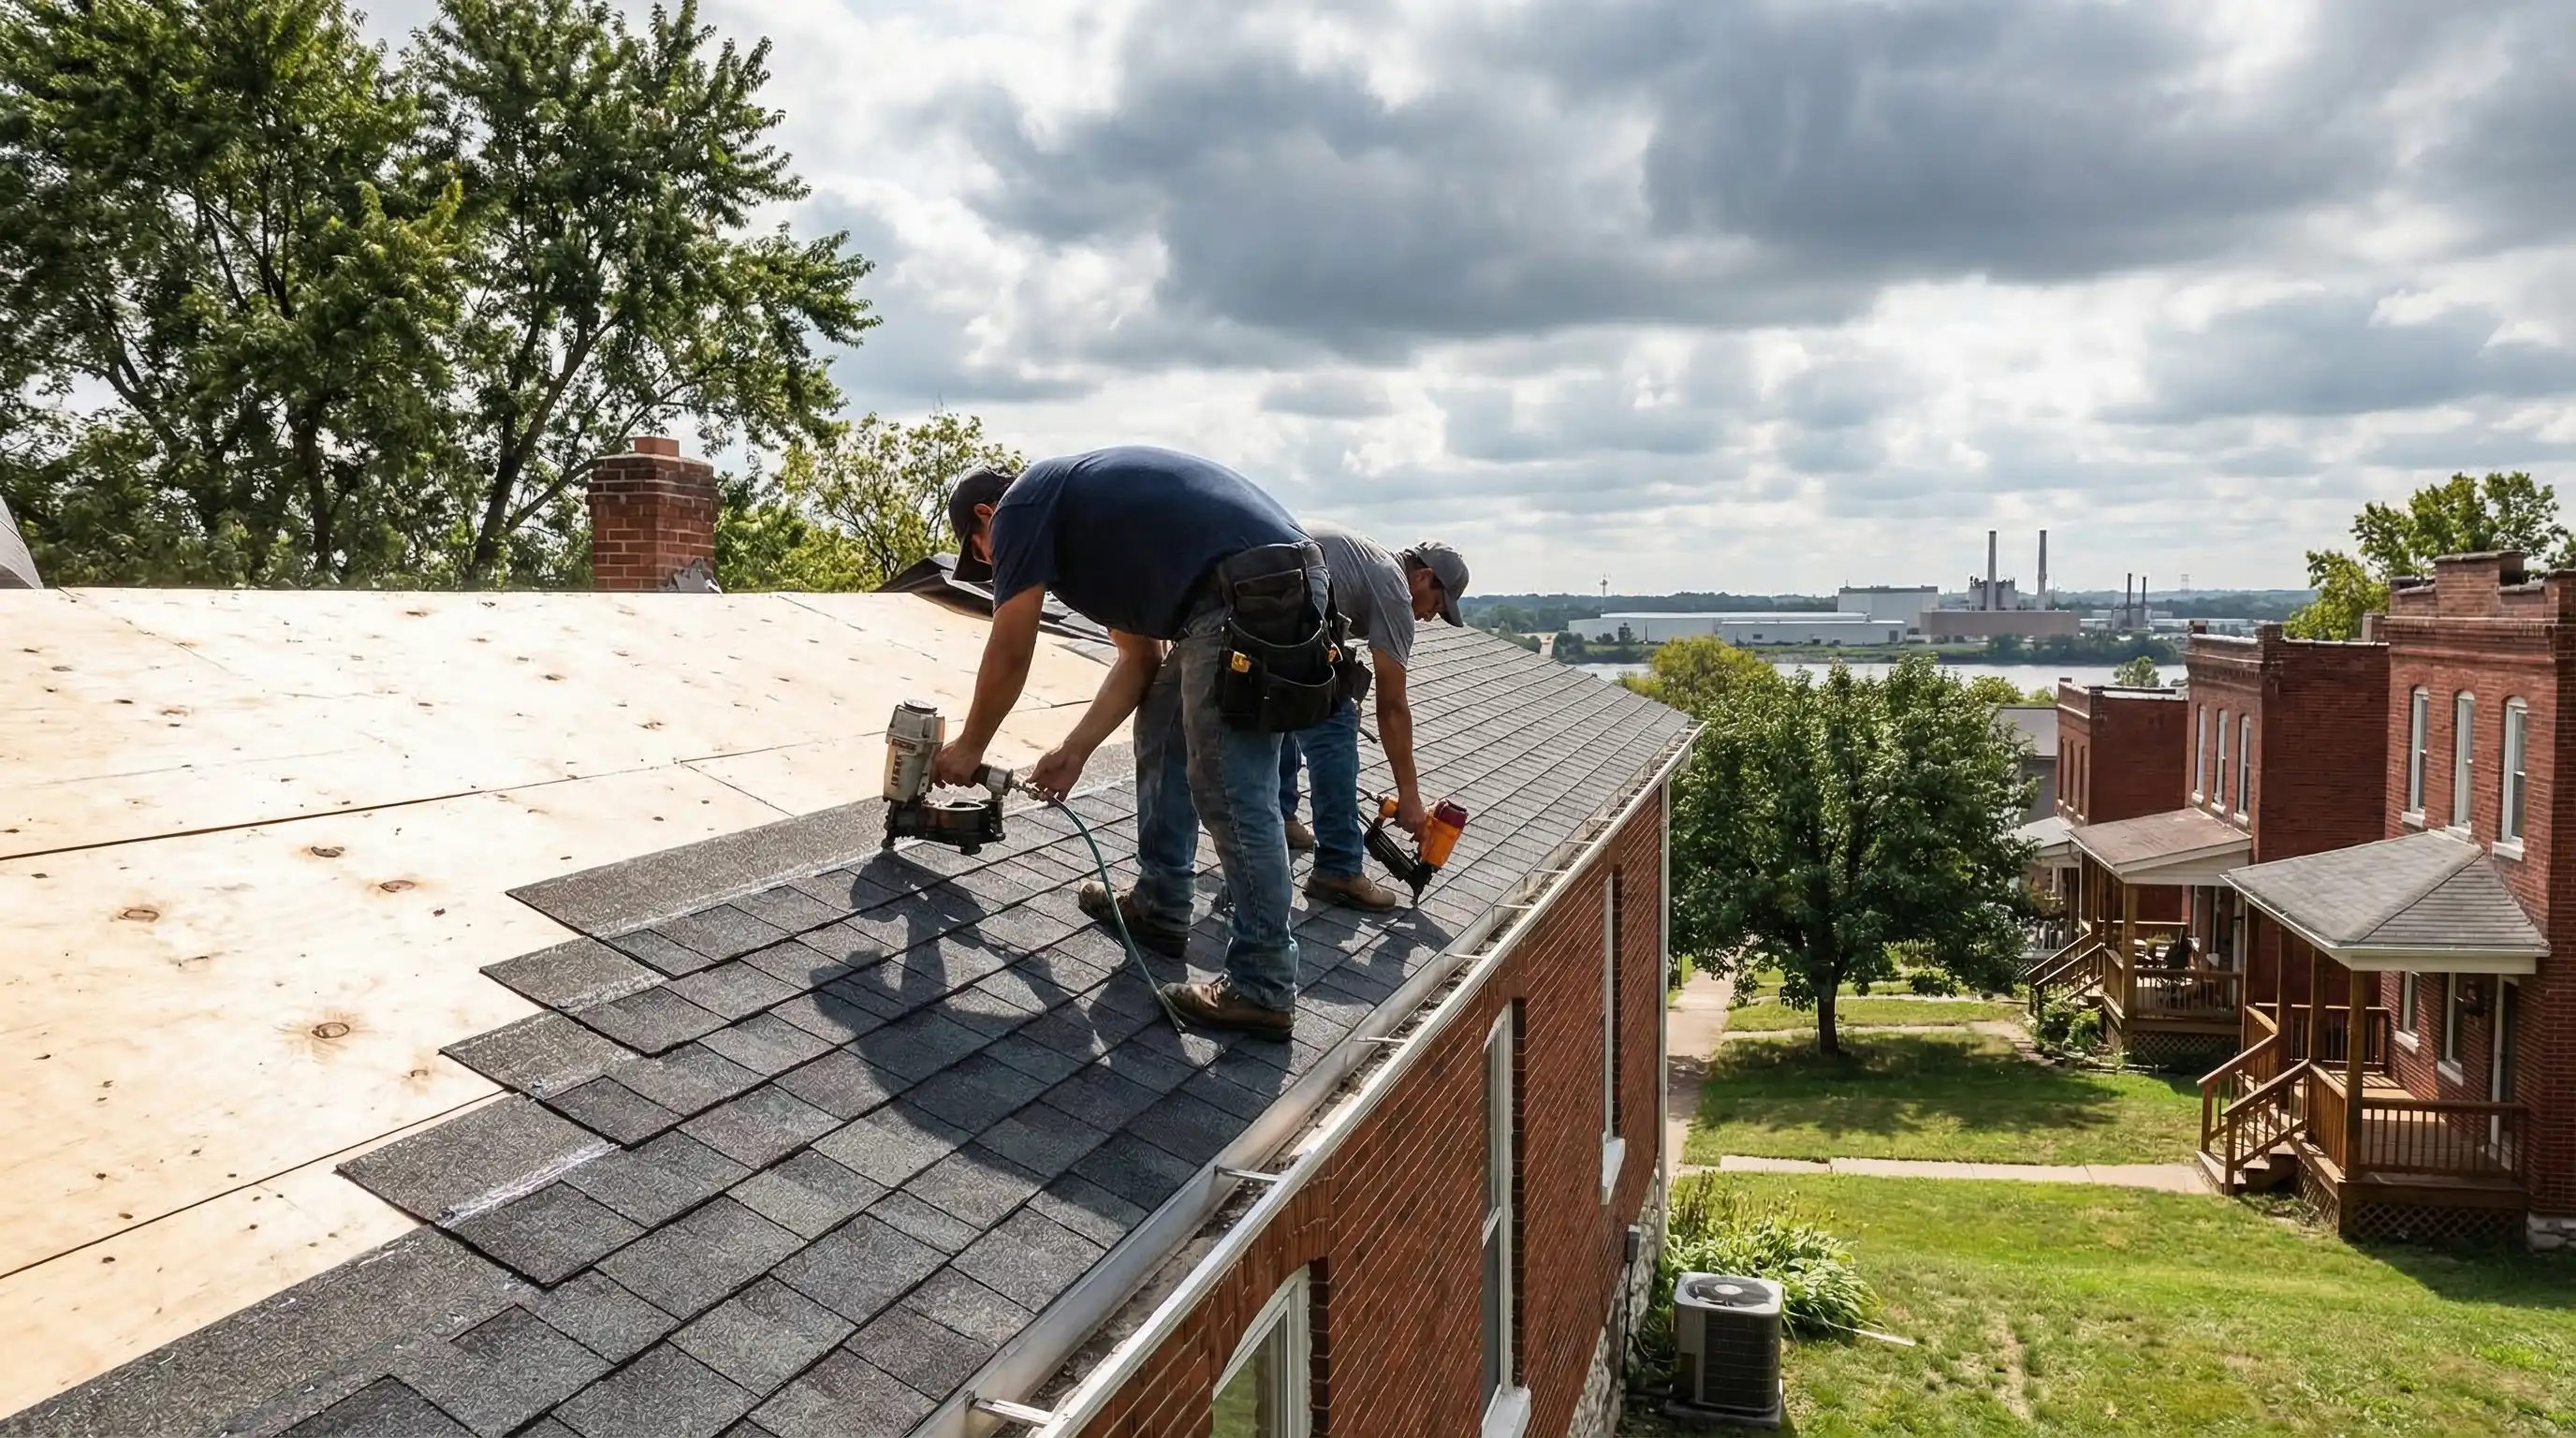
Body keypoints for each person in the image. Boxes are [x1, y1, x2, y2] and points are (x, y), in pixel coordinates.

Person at [933, 447, 1329, 1037]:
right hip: (1265, 581)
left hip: (1248, 591)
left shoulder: (1022, 509)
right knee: (1164, 722)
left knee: (1227, 784)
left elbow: (1012, 648)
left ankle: (1263, 984)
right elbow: (1140, 660)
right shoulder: (1088, 530)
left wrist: (969, 746)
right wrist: (1074, 751)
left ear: (986, 518)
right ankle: (1161, 903)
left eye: (979, 556)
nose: (992, 571)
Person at [1271, 525, 1470, 910]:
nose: (1429, 617)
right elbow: (1393, 707)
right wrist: (1410, 799)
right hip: (1282, 618)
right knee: (1335, 723)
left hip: (1261, 611)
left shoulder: (1371, 561)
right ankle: (1339, 869)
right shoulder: (1395, 589)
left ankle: (1280, 815)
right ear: (1423, 576)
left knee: (1293, 701)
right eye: (1436, 605)